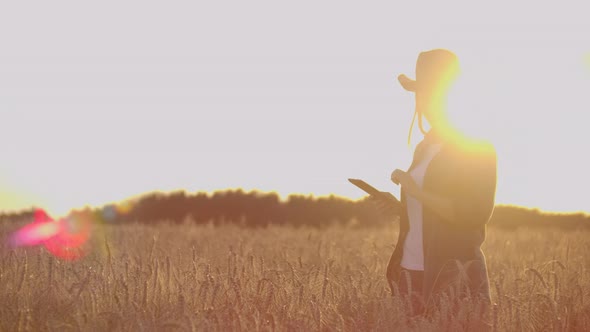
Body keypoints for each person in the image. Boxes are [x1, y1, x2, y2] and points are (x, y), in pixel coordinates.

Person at [377, 49, 497, 321]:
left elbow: (472, 214)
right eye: (422, 95)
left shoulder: (477, 147)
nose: (426, 102)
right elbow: (430, 214)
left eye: (432, 94)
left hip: (452, 277)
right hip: (410, 273)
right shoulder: (424, 147)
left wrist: (415, 190)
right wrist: (400, 206)